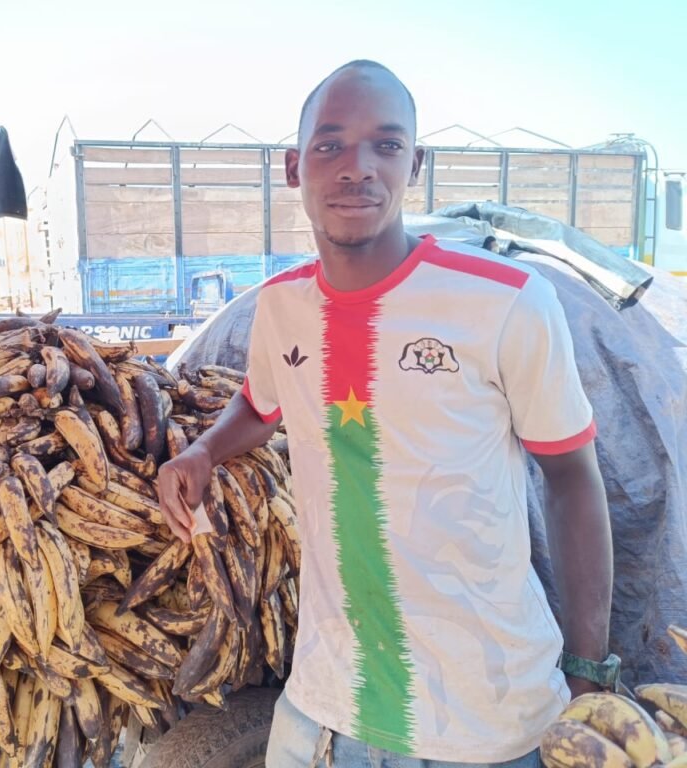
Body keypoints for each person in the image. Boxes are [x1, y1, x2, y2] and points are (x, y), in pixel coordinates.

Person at [157, 60, 613, 768]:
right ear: (293, 166)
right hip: (324, 709)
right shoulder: (280, 306)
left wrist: (589, 674)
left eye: (387, 145)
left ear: (416, 163)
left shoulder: (507, 303)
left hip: (487, 720)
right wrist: (205, 452)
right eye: (330, 145)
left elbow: (573, 479)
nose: (357, 168)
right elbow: (261, 401)